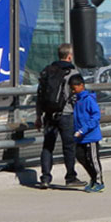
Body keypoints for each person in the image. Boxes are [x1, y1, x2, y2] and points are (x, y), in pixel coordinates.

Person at [36, 43, 84, 188]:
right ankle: (70, 177)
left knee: (47, 146)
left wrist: (39, 116)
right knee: (69, 146)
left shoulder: (47, 71)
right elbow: (79, 95)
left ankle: (45, 178)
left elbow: (39, 96)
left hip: (49, 114)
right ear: (69, 56)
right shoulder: (73, 72)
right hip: (66, 114)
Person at [70, 73, 105, 193]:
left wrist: (83, 129)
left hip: (90, 136)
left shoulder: (89, 99)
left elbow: (95, 116)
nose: (73, 91)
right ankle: (93, 178)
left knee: (93, 158)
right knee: (80, 156)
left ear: (81, 85)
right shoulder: (77, 100)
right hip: (80, 136)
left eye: (75, 88)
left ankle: (99, 182)